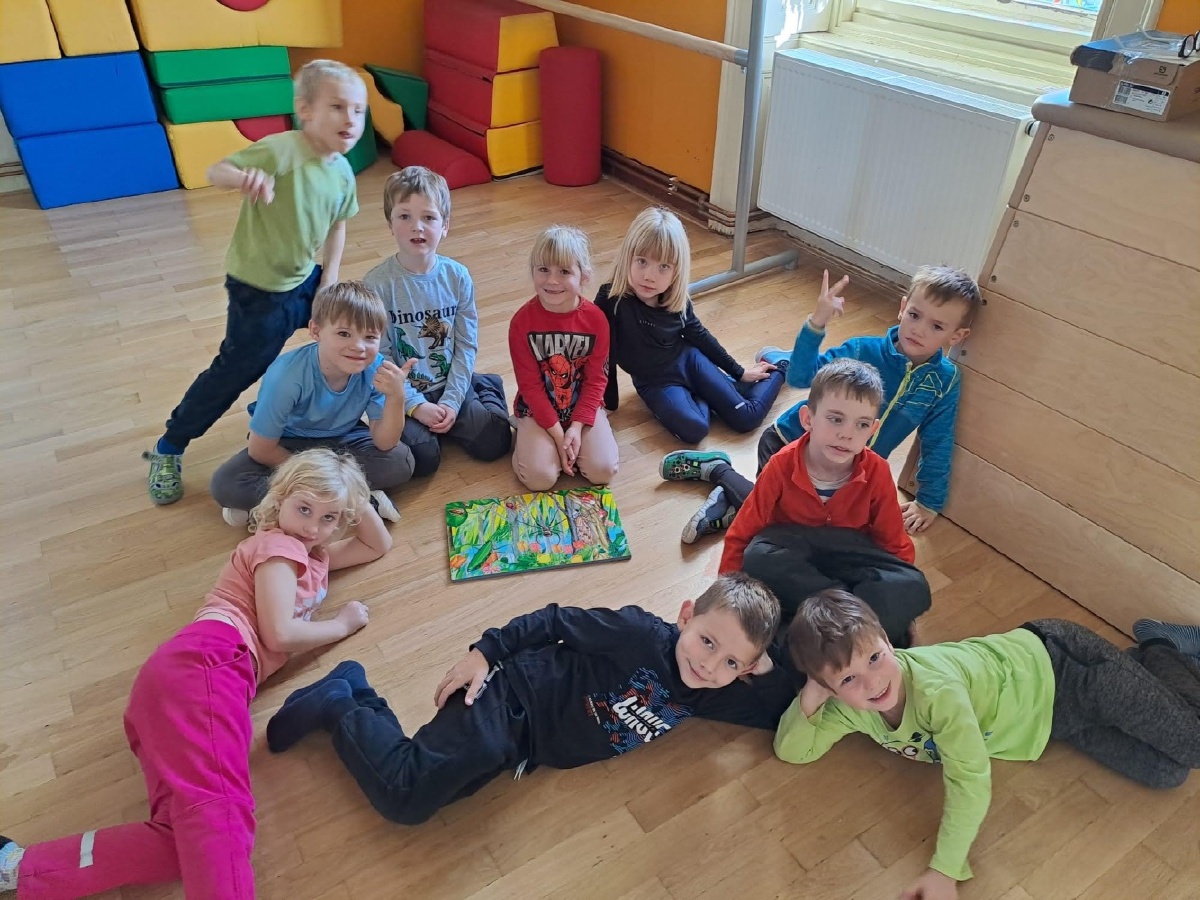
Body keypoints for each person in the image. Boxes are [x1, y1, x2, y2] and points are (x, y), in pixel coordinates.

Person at [0, 449, 392, 897]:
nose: (312, 527)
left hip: (181, 681)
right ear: (279, 497)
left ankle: (18, 868)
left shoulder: (311, 554)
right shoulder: (278, 548)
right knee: (221, 818)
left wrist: (353, 494)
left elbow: (375, 545)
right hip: (210, 666)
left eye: (328, 518)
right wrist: (341, 624)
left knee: (186, 841)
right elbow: (280, 633)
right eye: (304, 509)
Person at [263, 573, 800, 826]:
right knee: (406, 795)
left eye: (732, 663)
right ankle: (338, 702)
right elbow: (554, 620)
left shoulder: (708, 691)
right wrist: (485, 652)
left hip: (522, 745)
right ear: (685, 616)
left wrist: (765, 666)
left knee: (442, 785)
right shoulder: (639, 634)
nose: (709, 665)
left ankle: (356, 691)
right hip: (512, 696)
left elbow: (774, 709)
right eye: (707, 641)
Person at [775, 590, 1200, 900]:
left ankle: (1158, 643)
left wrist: (944, 870)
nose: (872, 683)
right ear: (830, 688)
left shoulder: (938, 691)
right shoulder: (852, 710)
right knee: (1167, 771)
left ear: (888, 641)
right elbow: (794, 750)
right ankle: (1139, 669)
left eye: (875, 658)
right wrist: (810, 696)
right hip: (1050, 722)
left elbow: (970, 781)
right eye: (848, 679)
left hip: (1068, 667)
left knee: (1194, 744)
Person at [143, 60, 368, 506]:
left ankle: (313, 412)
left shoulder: (342, 170)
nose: (350, 119)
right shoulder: (282, 150)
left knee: (347, 330)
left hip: (305, 280)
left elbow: (338, 225)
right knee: (238, 369)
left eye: (358, 111)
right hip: (258, 290)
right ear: (305, 109)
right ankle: (169, 446)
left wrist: (329, 279)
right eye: (337, 107)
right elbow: (216, 171)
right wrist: (246, 177)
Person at [719, 358, 929, 647]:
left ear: (872, 430)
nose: (847, 434)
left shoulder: (877, 471)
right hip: (794, 553)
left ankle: (823, 624)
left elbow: (893, 542)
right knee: (757, 557)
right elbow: (743, 533)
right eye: (836, 419)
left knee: (913, 584)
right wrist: (726, 599)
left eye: (861, 424)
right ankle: (845, 623)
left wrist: (900, 588)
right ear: (808, 419)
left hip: (848, 556)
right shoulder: (781, 465)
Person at [210, 282, 414, 526]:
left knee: (401, 461)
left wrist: (396, 397)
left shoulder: (375, 367)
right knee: (226, 484)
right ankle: (358, 501)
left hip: (342, 438)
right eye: (344, 334)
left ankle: (282, 506)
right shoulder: (286, 376)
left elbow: (385, 442)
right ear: (316, 331)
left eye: (370, 337)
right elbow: (261, 449)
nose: (359, 347)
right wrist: (319, 475)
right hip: (288, 442)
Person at [363, 166, 512, 476]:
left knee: (495, 443)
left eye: (429, 217)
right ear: (390, 224)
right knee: (424, 460)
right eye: (405, 216)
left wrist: (453, 401)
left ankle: (484, 385)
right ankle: (440, 422)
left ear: (445, 225)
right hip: (403, 391)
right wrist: (416, 406)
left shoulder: (458, 277)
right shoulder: (377, 285)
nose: (417, 227)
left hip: (450, 381)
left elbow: (466, 343)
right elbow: (381, 355)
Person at [595, 207, 784, 445]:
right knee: (695, 431)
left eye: (663, 267)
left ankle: (780, 365)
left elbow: (700, 336)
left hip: (689, 362)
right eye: (642, 261)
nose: (649, 276)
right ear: (627, 258)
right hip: (654, 382)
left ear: (676, 271)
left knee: (746, 418)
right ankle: (712, 391)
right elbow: (602, 353)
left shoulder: (676, 302)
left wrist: (740, 372)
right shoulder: (610, 300)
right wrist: (609, 403)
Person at [508, 225, 618, 490]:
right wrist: (559, 437)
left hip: (582, 406)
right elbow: (530, 387)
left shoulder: (596, 320)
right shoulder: (521, 322)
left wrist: (576, 428)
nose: (552, 281)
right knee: (540, 478)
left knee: (603, 471)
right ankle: (525, 435)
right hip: (537, 409)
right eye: (543, 269)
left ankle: (570, 442)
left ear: (584, 276)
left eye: (564, 271)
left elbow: (596, 380)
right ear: (533, 271)